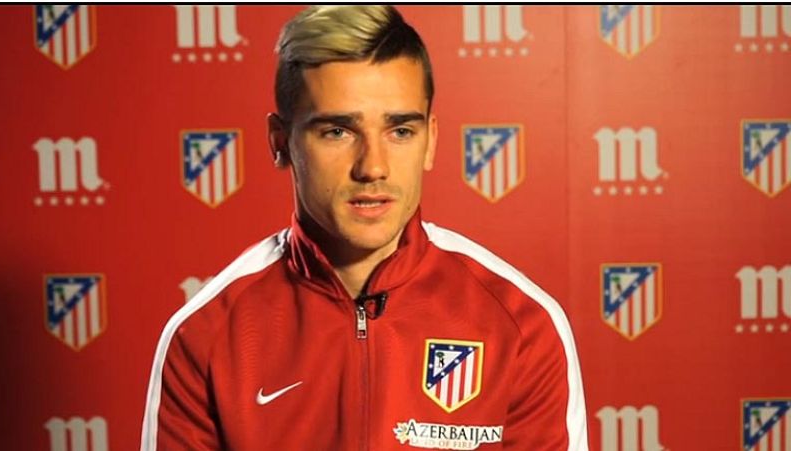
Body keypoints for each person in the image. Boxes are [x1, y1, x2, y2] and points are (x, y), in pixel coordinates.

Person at [141, 5, 587, 450]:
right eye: (338, 131)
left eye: (400, 131)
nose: (373, 167)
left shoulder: (522, 324)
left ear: (430, 141)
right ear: (280, 143)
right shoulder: (206, 334)